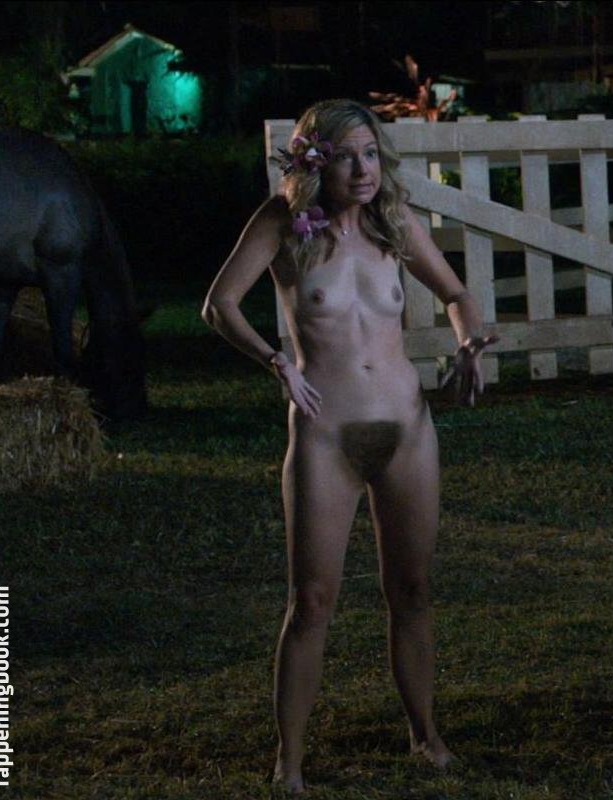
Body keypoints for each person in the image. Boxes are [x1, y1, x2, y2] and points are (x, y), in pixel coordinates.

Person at [202, 99, 497, 793]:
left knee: (413, 590)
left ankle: (426, 735)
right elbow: (219, 304)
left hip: (406, 431)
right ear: (315, 163)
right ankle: (290, 762)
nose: (363, 170)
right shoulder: (282, 222)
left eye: (370, 154)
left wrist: (467, 343)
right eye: (345, 157)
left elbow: (457, 293)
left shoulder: (392, 221)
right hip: (326, 436)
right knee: (311, 601)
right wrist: (276, 361)